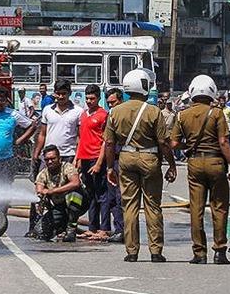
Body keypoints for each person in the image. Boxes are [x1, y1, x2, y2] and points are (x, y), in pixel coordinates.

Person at [104, 69, 176, 262]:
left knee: (129, 206)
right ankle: (155, 250)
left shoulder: (114, 112)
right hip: (149, 158)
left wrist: (110, 168)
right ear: (143, 86)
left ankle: (132, 251)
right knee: (152, 205)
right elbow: (163, 142)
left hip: (126, 158)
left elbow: (109, 144)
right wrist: (171, 164)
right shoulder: (153, 111)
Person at [171, 75, 230, 265]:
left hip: (195, 163)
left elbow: (174, 143)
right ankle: (219, 251)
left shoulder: (182, 114)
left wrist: (189, 146)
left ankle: (199, 252)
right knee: (219, 208)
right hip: (215, 162)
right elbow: (223, 142)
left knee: (196, 209)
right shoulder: (217, 114)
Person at [75, 84, 110, 240]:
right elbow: (81, 138)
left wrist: (99, 163)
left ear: (98, 98)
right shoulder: (83, 115)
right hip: (85, 158)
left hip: (97, 158)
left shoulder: (103, 115)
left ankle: (104, 228)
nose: (89, 101)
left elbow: (105, 141)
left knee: (102, 195)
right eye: (87, 98)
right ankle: (92, 227)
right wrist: (78, 158)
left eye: (92, 98)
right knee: (90, 194)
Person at [34, 145, 87, 242]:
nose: (50, 162)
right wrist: (40, 198)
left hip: (78, 202)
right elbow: (39, 189)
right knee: (40, 232)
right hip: (60, 207)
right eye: (47, 159)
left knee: (73, 195)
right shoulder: (43, 174)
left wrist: (52, 191)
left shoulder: (67, 167)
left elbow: (75, 183)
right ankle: (61, 228)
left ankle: (71, 227)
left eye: (53, 159)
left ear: (59, 158)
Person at [34, 80, 84, 164]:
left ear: (70, 93)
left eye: (64, 93)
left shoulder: (78, 111)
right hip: (49, 155)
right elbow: (42, 134)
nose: (61, 96)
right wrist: (37, 152)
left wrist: (77, 158)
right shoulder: (47, 109)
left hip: (69, 155)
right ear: (54, 93)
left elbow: (80, 137)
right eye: (58, 93)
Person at [104, 88, 125, 243]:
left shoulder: (124, 117)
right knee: (112, 197)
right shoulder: (110, 117)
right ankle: (118, 228)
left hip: (123, 159)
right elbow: (106, 143)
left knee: (120, 198)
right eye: (109, 103)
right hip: (112, 161)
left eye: (114, 102)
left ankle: (123, 230)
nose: (111, 106)